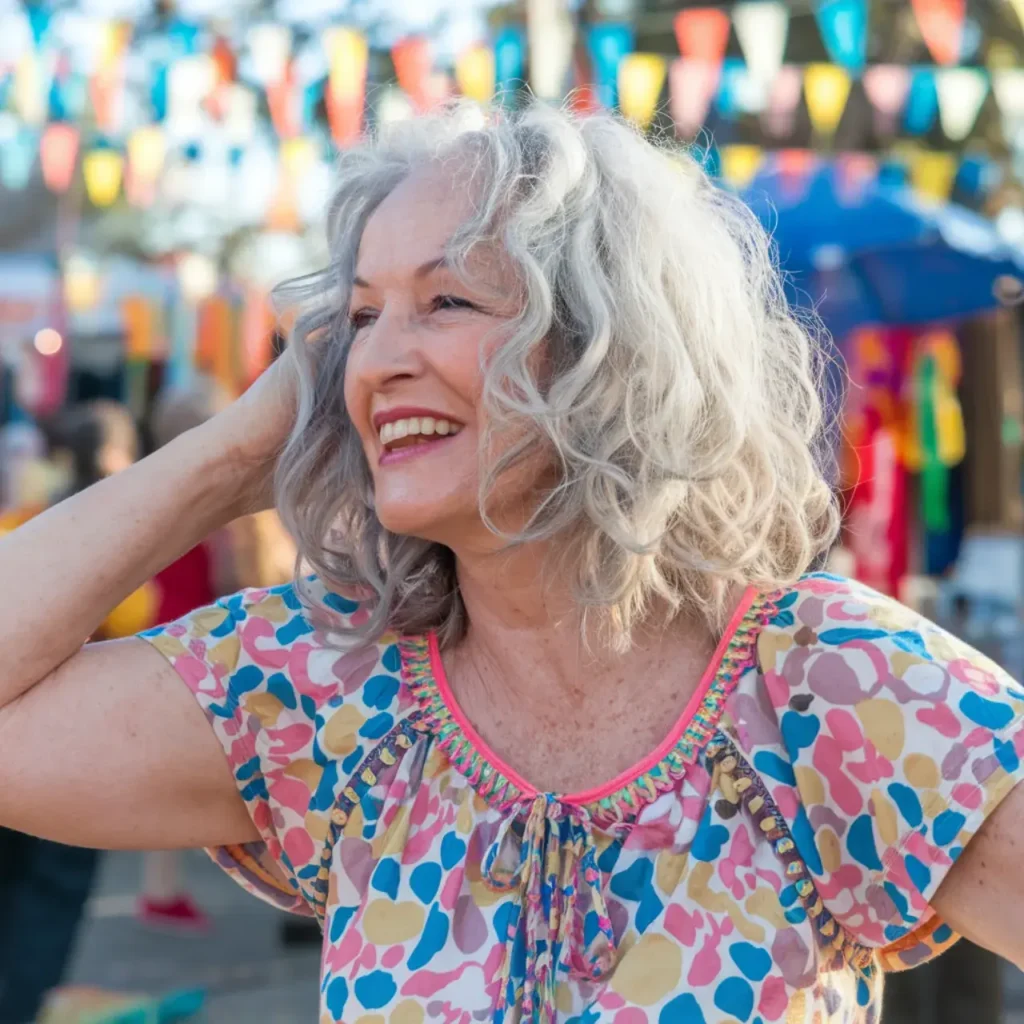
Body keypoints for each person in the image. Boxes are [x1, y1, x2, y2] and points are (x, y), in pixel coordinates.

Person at [0, 104, 1022, 1024]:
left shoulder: (832, 687)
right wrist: (235, 450)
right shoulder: (332, 687)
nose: (375, 358)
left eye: (445, 302)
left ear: (606, 348)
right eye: (359, 317)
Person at [0, 400, 148, 1024]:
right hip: (79, 750)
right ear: (119, 460)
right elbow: (140, 620)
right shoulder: (126, 539)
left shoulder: (23, 521)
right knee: (51, 895)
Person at [135, 377, 297, 931]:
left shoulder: (151, 498)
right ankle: (289, 885)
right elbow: (238, 579)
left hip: (154, 646)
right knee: (255, 774)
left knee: (169, 783)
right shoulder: (221, 510)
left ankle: (161, 891)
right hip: (203, 655)